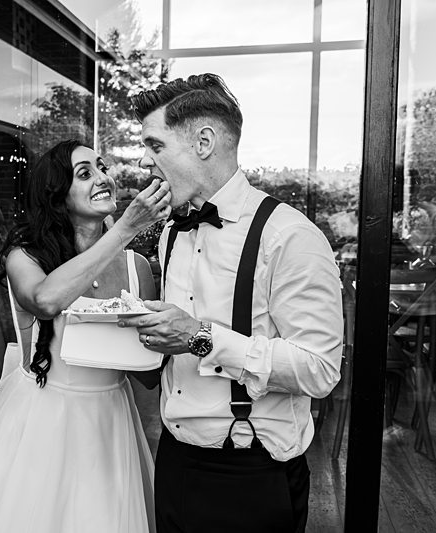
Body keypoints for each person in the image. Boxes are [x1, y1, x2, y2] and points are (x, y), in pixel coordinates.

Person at [119, 74, 344, 533]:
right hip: (174, 459)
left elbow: (320, 370)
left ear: (204, 141)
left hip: (249, 475)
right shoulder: (171, 232)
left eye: (155, 146)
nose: (145, 161)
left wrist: (200, 338)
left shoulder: (290, 237)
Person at [0, 139, 172, 533]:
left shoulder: (137, 267)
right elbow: (45, 301)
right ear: (58, 196)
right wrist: (127, 228)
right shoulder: (25, 255)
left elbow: (146, 374)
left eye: (101, 168)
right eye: (85, 173)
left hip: (111, 422)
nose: (103, 178)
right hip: (42, 420)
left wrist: (159, 342)